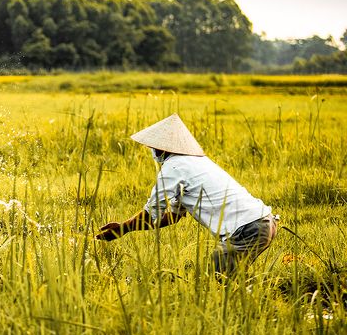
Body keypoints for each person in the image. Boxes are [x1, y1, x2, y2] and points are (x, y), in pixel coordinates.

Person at [95, 113, 277, 276]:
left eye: (152, 147)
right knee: (226, 277)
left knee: (216, 280)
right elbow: (173, 217)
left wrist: (121, 229)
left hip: (248, 229)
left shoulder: (173, 168)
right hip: (261, 223)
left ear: (162, 148)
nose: (151, 151)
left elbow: (151, 214)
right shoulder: (195, 163)